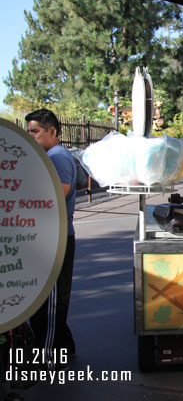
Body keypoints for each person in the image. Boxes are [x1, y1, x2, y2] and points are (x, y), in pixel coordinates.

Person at [26, 109, 76, 370]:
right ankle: (65, 348)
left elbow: (55, 196)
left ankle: (49, 358)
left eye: (35, 131)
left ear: (52, 131)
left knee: (52, 304)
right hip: (49, 239)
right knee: (46, 301)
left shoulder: (57, 159)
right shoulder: (48, 158)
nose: (30, 136)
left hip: (56, 240)